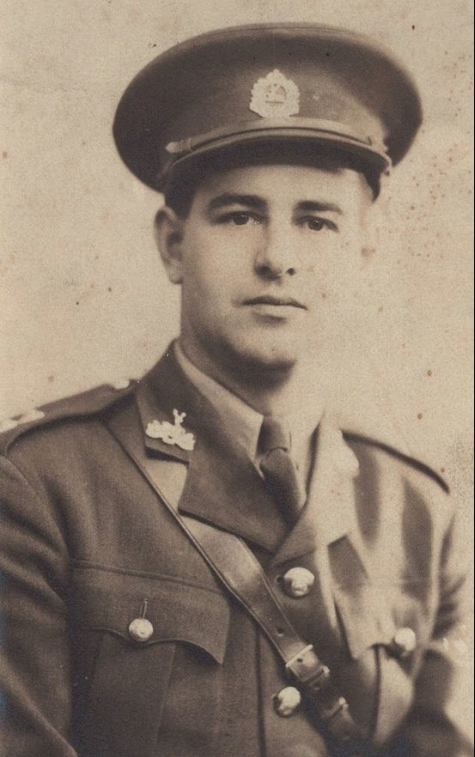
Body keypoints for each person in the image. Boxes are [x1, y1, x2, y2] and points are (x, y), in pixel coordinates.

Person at [0, 23, 471, 757]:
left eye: (316, 222)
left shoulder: (414, 510)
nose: (278, 257)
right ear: (172, 244)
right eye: (239, 215)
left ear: (363, 250)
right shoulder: (41, 485)